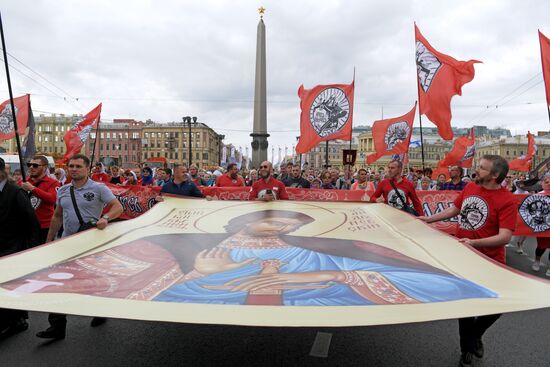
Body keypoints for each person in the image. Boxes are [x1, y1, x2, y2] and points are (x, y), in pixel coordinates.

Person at [3, 210, 496, 308]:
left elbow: (435, 284)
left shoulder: (321, 251)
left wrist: (332, 275)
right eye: (273, 222)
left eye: (288, 225)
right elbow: (155, 285)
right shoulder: (199, 249)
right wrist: (207, 274)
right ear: (239, 223)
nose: (279, 226)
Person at [419, 154, 517, 366]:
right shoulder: (470, 188)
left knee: (496, 307)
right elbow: (454, 209)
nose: (476, 170)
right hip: (463, 257)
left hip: (490, 260)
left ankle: (475, 335)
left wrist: (475, 244)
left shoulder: (507, 199)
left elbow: (505, 236)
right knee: (466, 307)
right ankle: (466, 351)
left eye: (481, 168)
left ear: (495, 175)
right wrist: (429, 219)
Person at [36, 153, 124, 340]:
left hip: (91, 244)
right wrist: (49, 239)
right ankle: (57, 326)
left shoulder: (99, 188)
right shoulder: (63, 190)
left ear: (87, 169)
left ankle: (99, 310)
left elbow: (117, 207)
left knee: (93, 281)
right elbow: (57, 216)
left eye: (78, 166)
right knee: (60, 282)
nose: (74, 169)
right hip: (68, 243)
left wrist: (106, 217)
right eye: (71, 166)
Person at [0, 157, 40, 340]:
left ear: (1, 172)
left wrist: (31, 250)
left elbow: (31, 222)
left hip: (12, 246)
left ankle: (12, 321)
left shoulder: (15, 192)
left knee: (7, 285)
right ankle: (17, 317)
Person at [19, 155, 60, 244]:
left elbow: (52, 199)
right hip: (26, 225)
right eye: (29, 165)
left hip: (44, 226)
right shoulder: (24, 182)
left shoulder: (53, 183)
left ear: (45, 167)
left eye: (35, 165)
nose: (31, 167)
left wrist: (32, 189)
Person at [531, 174, 550, 276]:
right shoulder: (537, 196)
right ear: (542, 184)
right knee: (541, 247)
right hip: (542, 226)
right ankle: (537, 260)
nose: (549, 184)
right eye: (546, 182)